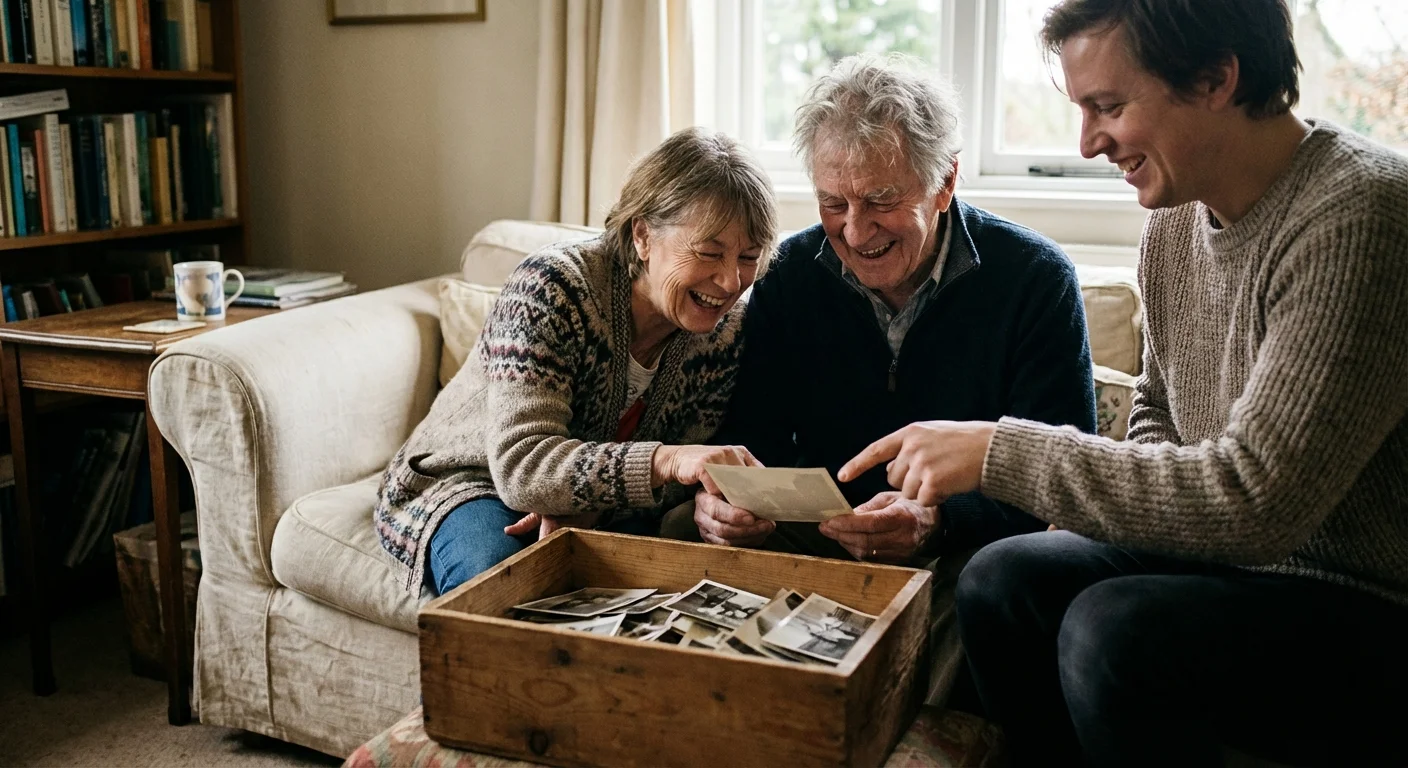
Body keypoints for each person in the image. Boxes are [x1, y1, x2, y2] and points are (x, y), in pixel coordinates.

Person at [838, 1, 1408, 764]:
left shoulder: (1361, 215)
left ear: (1215, 79)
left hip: (1364, 595)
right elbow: (1159, 413)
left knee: (1110, 630)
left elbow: (1258, 500)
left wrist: (1001, 452)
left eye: (1108, 106)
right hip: (1233, 565)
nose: (1088, 141)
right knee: (1002, 578)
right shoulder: (1174, 222)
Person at [678, 54, 1096, 704]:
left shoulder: (1035, 279)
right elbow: (749, 435)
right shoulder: (790, 272)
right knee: (680, 530)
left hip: (964, 546)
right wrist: (728, 500)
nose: (853, 229)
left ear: (946, 181)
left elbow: (1064, 480)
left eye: (880, 201)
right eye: (831, 202)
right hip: (821, 532)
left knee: (993, 588)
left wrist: (938, 519)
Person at [375, 127, 777, 596]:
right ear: (643, 235)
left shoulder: (724, 330)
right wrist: (660, 462)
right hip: (470, 481)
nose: (730, 281)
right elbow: (523, 465)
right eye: (709, 253)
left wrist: (593, 499)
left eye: (749, 257)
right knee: (509, 588)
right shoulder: (553, 288)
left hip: (594, 498)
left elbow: (684, 474)